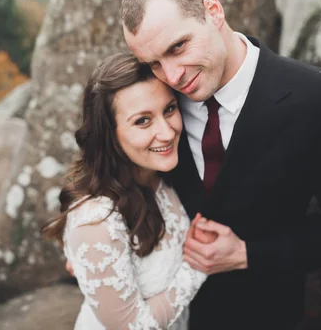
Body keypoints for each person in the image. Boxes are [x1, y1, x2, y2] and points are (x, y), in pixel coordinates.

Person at [120, 0, 321, 329]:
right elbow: (104, 163)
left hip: (266, 313)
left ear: (213, 10)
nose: (172, 76)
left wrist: (250, 254)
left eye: (178, 46)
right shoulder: (153, 99)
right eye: (153, 63)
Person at [43, 53, 216, 330]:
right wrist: (199, 267)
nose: (167, 132)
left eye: (169, 109)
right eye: (142, 121)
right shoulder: (96, 222)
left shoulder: (162, 175)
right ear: (109, 135)